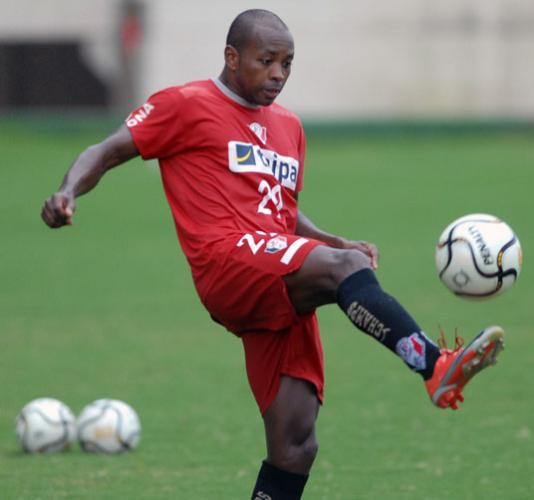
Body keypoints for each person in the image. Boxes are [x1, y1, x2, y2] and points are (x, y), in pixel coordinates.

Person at [41, 9, 505, 500]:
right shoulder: (185, 104)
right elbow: (107, 149)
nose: (278, 74)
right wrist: (68, 192)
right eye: (266, 61)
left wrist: (333, 242)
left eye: (287, 63)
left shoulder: (289, 127)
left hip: (274, 271)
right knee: (347, 271)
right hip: (226, 261)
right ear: (232, 57)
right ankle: (433, 365)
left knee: (295, 445)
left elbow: (281, 211)